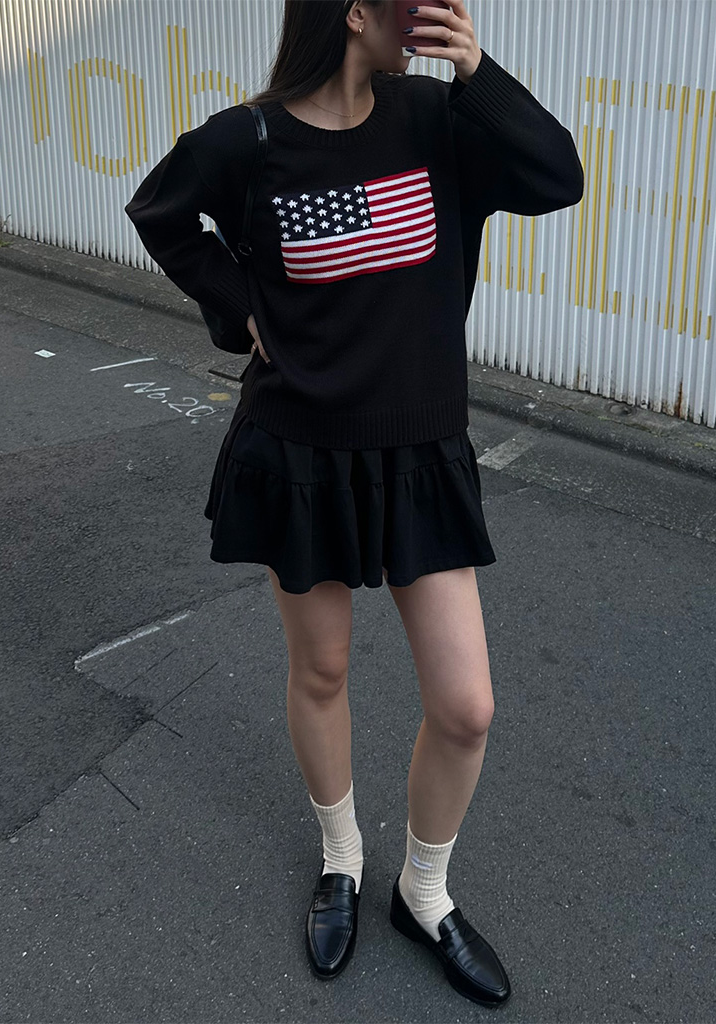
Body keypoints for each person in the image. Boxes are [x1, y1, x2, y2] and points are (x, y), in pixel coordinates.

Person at [125, 0, 583, 1008]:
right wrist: (237, 306)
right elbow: (158, 211)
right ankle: (341, 856)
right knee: (322, 668)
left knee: (465, 707)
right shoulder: (247, 140)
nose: (439, 8)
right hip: (300, 452)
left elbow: (559, 177)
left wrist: (480, 75)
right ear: (357, 10)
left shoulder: (436, 120)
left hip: (419, 450)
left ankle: (423, 891)